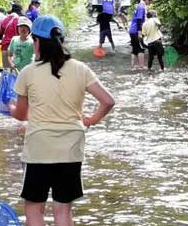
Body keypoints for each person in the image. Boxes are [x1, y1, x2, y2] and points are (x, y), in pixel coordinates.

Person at [8, 15, 115, 225]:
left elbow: (21, 115)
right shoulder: (80, 69)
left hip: (39, 148)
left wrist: (10, 108)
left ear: (37, 42)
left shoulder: (28, 73)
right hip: (71, 148)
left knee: (34, 208)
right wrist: (90, 120)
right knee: (63, 211)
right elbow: (108, 101)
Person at [129, 0, 157, 69]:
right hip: (136, 30)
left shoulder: (140, 6)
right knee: (141, 49)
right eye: (150, 0)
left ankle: (132, 67)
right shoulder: (141, 7)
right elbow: (138, 20)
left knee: (135, 49)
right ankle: (141, 66)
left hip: (132, 30)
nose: (151, 2)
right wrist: (140, 32)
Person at [0, 2, 23, 68]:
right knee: (15, 70)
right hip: (16, 47)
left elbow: (0, 34)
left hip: (5, 47)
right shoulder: (20, 20)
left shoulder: (5, 20)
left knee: (6, 69)